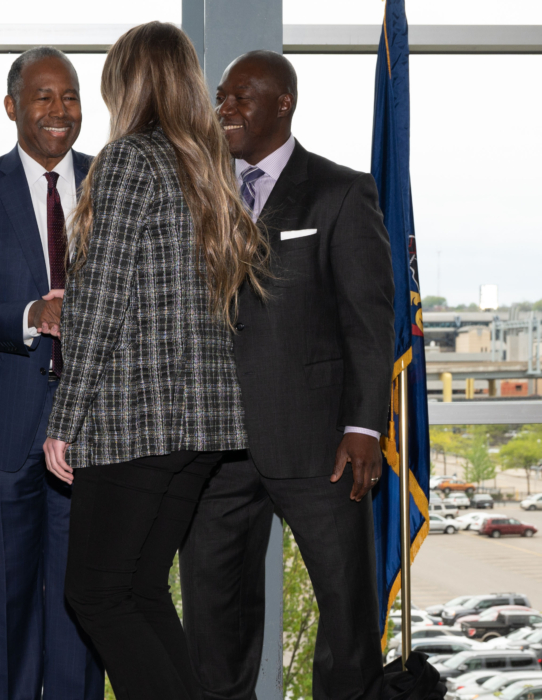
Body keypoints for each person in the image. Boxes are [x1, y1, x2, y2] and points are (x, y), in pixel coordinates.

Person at [43, 23, 270, 700]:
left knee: (95, 593)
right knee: (138, 590)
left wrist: (65, 420)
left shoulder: (129, 159)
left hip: (137, 422)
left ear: (128, 83)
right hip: (201, 427)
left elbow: (101, 300)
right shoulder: (206, 165)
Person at [179, 50, 394, 700]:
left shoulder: (340, 190)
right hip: (216, 448)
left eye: (241, 97)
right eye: (221, 96)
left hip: (321, 445)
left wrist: (364, 426)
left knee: (347, 611)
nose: (225, 108)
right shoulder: (200, 194)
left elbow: (368, 319)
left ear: (283, 103)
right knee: (213, 618)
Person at [0, 47, 104, 700]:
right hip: (1, 425)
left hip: (93, 428)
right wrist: (33, 314)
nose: (60, 109)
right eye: (44, 96)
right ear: (12, 107)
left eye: (70, 96)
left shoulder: (109, 182)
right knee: (7, 602)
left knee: (82, 599)